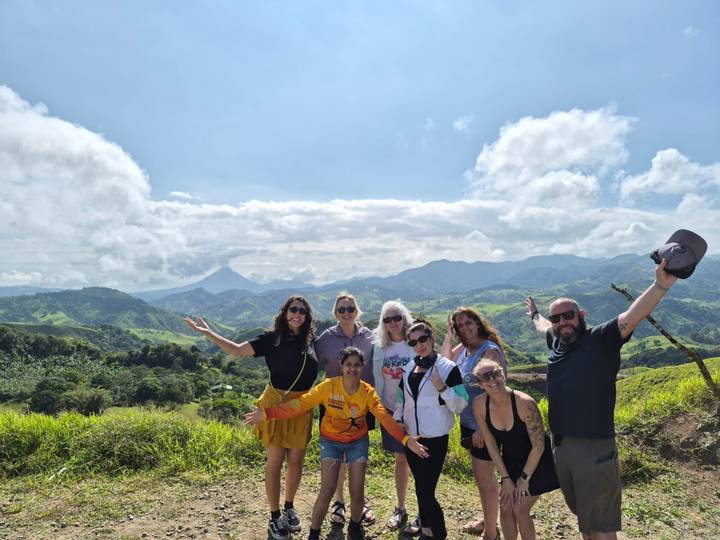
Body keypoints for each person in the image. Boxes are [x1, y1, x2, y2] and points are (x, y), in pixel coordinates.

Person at [524, 258, 678, 539]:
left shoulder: (601, 339)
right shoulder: (557, 340)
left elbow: (633, 315)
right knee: (585, 518)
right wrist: (534, 314)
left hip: (594, 448)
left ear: (581, 314)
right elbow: (541, 326)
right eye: (557, 318)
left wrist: (660, 285)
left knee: (602, 526)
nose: (562, 323)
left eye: (568, 315)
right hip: (562, 447)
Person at [245, 347, 429, 540]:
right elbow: (299, 405)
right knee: (327, 489)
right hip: (331, 441)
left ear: (362, 367)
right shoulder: (327, 387)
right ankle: (314, 534)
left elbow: (385, 418)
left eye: (357, 365)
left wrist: (406, 440)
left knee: (357, 490)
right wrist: (267, 414)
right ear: (341, 366)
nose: (352, 368)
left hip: (357, 441)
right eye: (348, 364)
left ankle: (355, 526)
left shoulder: (367, 392)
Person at [184, 295, 317, 540]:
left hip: (300, 407)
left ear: (307, 316)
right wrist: (208, 333)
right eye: (292, 310)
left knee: (297, 461)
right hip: (274, 403)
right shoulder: (271, 339)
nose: (297, 314)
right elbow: (236, 350)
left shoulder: (311, 341)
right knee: (275, 461)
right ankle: (275, 516)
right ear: (284, 313)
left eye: (302, 311)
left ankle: (289, 507)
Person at [395, 319, 469, 540]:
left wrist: (441, 387)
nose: (419, 345)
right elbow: (402, 398)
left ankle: (439, 534)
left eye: (423, 339)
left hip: (435, 439)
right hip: (411, 438)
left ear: (432, 338)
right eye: (414, 342)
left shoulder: (447, 368)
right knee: (420, 487)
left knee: (426, 492)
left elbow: (460, 404)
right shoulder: (409, 367)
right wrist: (398, 418)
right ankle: (427, 529)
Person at [472, 358, 558, 540]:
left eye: (495, 373)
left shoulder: (524, 403)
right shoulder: (479, 405)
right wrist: (506, 479)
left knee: (520, 508)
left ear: (502, 374)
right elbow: (491, 445)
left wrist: (523, 479)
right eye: (485, 377)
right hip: (510, 461)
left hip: (539, 461)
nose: (492, 380)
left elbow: (539, 445)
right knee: (505, 507)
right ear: (480, 384)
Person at [440, 307, 507, 539]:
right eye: (459, 325)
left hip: (486, 424)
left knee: (484, 478)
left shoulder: (489, 351)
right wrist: (449, 334)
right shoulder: (467, 350)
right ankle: (489, 520)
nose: (465, 328)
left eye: (468, 322)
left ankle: (490, 532)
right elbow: (444, 361)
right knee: (483, 477)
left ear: (478, 323)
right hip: (470, 421)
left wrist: (483, 427)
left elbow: (495, 391)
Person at [314, 293, 377, 527]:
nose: (346, 312)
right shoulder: (326, 338)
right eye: (342, 309)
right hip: (333, 404)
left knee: (357, 452)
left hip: (362, 402)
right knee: (337, 454)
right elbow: (310, 360)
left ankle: (359, 501)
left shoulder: (370, 336)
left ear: (356, 310)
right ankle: (339, 502)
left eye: (350, 308)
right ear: (335, 313)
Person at [371, 300, 417, 532]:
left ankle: (423, 509)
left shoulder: (416, 341)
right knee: (401, 458)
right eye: (387, 319)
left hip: (417, 410)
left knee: (420, 459)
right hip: (390, 409)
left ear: (404, 318)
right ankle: (401, 507)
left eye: (397, 317)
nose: (393, 323)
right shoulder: (379, 346)